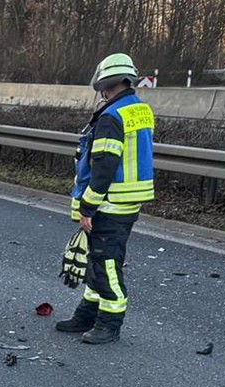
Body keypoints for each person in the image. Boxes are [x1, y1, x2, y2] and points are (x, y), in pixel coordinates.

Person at [56, 53, 154, 344]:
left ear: (103, 86)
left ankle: (109, 323)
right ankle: (87, 313)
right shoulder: (138, 109)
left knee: (107, 263)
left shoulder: (111, 117)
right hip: (126, 200)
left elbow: (104, 166)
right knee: (97, 260)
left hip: (110, 202)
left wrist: (88, 205)